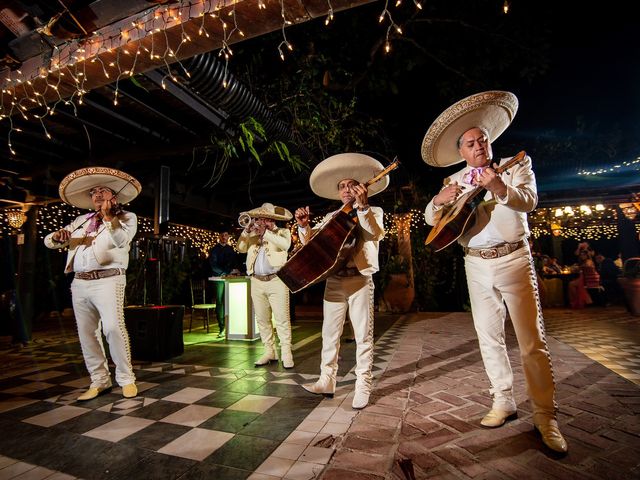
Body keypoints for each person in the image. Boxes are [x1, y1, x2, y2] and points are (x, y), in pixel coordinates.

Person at [422, 91, 567, 453]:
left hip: (514, 258)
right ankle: (503, 400)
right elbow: (431, 219)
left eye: (483, 139)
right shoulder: (453, 181)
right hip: (475, 262)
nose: (479, 146)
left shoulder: (516, 164)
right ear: (462, 152)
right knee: (488, 338)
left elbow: (529, 201)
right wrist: (440, 200)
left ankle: (545, 414)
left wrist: (499, 186)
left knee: (532, 341)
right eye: (471, 143)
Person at [296, 153, 387, 410]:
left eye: (350, 184)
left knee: (363, 336)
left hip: (360, 279)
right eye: (342, 186)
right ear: (338, 192)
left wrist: (363, 207)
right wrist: (304, 228)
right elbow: (314, 248)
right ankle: (327, 380)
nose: (346, 189)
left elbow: (373, 233)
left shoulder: (373, 210)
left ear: (359, 187)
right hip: (334, 281)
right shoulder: (330, 217)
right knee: (329, 334)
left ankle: (363, 385)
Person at [44, 167, 141, 401]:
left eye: (103, 190)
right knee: (87, 333)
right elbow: (49, 242)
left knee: (113, 328)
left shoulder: (127, 218)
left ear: (113, 197)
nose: (97, 195)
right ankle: (99, 380)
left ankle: (126, 379)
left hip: (108, 279)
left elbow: (120, 241)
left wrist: (109, 219)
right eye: (93, 192)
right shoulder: (80, 221)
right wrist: (56, 237)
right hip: (79, 283)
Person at [236, 203, 294, 368]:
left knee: (282, 319)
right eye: (260, 218)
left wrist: (266, 232)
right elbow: (240, 248)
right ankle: (269, 351)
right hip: (256, 281)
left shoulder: (283, 232)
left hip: (277, 281)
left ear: (272, 220)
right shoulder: (253, 235)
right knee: (262, 319)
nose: (261, 221)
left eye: (265, 218)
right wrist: (246, 231)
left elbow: (285, 246)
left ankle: (286, 352)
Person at [208, 232, 238, 337]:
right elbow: (213, 264)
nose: (225, 237)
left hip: (228, 278)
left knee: (229, 301)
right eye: (223, 235)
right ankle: (222, 327)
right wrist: (224, 272)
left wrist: (231, 271)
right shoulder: (214, 249)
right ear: (219, 237)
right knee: (220, 302)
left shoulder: (230, 249)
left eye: (226, 235)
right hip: (218, 278)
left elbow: (233, 262)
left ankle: (229, 326)